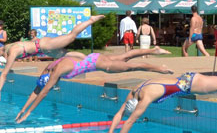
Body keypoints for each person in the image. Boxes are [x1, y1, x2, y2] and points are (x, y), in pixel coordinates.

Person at [15, 47, 173, 123]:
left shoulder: (57, 71)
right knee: (124, 57)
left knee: (130, 66)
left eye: (51, 81)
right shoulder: (48, 68)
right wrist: (23, 109)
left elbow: (43, 93)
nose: (52, 82)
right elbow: (37, 90)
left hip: (99, 64)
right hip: (94, 58)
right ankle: (154, 50)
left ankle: (160, 69)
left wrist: (29, 113)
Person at [0, 14, 105, 101]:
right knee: (67, 54)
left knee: (71, 36)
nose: (8, 62)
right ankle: (90, 59)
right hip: (45, 50)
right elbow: (1, 65)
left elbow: (4, 74)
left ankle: (91, 20)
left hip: (45, 45)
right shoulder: (9, 48)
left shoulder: (12, 52)